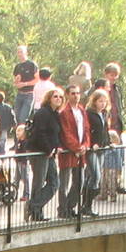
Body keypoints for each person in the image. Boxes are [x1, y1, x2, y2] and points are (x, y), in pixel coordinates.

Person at [24, 87, 64, 221]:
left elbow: (56, 134)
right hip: (39, 152)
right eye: (55, 96)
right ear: (49, 98)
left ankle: (33, 205)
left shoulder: (55, 114)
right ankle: (36, 213)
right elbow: (39, 133)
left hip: (49, 153)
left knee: (54, 182)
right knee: (38, 182)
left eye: (60, 97)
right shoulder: (42, 113)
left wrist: (56, 147)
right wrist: (49, 149)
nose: (58, 99)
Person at [57, 81, 92, 217]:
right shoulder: (64, 112)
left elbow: (87, 130)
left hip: (81, 151)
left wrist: (85, 145)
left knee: (79, 181)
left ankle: (70, 206)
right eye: (73, 94)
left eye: (78, 93)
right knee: (64, 183)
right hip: (68, 152)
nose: (76, 96)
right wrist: (76, 147)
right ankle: (63, 209)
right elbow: (66, 133)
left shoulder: (82, 110)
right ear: (67, 95)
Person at [89, 89, 121, 201]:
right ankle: (87, 200)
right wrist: (92, 144)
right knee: (95, 175)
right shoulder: (90, 113)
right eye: (100, 101)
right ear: (94, 102)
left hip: (102, 147)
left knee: (97, 175)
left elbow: (105, 130)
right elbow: (88, 131)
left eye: (104, 101)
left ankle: (89, 203)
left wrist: (108, 142)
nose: (102, 104)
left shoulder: (104, 113)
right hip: (93, 148)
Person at [12, 45, 38, 123]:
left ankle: (24, 133)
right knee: (15, 118)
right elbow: (15, 83)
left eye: (21, 52)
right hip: (19, 94)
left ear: (26, 53)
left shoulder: (32, 65)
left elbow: (37, 79)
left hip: (29, 95)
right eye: (18, 52)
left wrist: (25, 84)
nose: (20, 54)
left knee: (23, 118)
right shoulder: (17, 67)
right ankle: (18, 134)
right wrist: (16, 81)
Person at [101, 62, 126, 135]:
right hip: (104, 123)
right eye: (111, 75)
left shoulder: (118, 89)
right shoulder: (99, 87)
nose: (114, 77)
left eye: (116, 75)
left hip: (117, 124)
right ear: (106, 75)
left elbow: (120, 105)